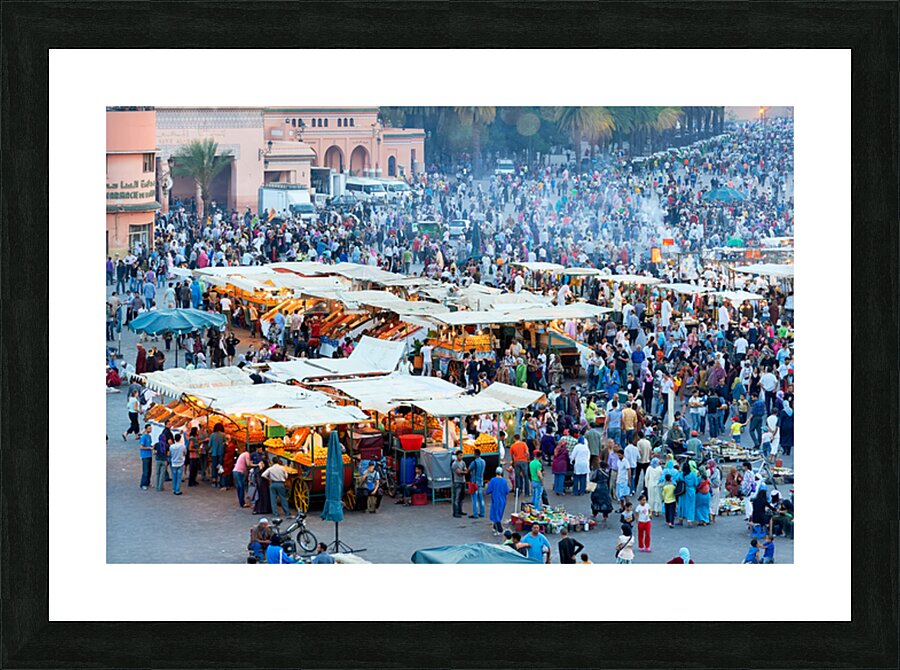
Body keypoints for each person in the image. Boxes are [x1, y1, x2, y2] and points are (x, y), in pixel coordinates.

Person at [485, 467, 510, 534]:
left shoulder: (493, 480)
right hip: (503, 500)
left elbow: (488, 491)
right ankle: (495, 527)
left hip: (495, 500)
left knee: (495, 514)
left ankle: (499, 528)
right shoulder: (504, 481)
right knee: (499, 514)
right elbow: (507, 491)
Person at [677, 461, 698, 527]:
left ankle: (680, 520)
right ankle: (690, 521)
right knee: (690, 506)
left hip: (683, 491)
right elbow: (696, 483)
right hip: (691, 491)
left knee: (681, 505)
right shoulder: (693, 475)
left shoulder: (681, 474)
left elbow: (677, 480)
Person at [154, 422, 173, 492]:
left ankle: (156, 486)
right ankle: (160, 487)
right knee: (162, 474)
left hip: (158, 460)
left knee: (157, 473)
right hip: (164, 460)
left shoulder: (156, 445)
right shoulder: (166, 446)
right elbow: (168, 454)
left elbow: (154, 452)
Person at [468, 448, 486, 519]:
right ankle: (482, 513)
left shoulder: (474, 462)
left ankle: (475, 514)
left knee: (474, 499)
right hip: (480, 481)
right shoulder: (483, 461)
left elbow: (469, 470)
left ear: (475, 454)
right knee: (481, 498)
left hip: (474, 482)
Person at [208, 423, 227, 489]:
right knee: (220, 467)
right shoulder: (224, 435)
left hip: (214, 453)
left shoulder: (212, 435)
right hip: (221, 453)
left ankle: (214, 480)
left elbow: (209, 444)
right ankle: (220, 480)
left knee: (214, 467)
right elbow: (226, 444)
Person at [450, 450, 468, 518]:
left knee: (461, 498)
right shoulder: (454, 464)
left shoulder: (463, 462)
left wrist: (464, 471)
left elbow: (465, 470)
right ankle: (456, 512)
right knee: (456, 498)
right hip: (457, 482)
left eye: (462, 455)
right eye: (460, 455)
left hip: (463, 481)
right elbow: (459, 472)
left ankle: (460, 510)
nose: (461, 456)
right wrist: (464, 472)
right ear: (457, 456)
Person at [169, 431, 186, 496]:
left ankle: (174, 489)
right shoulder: (183, 446)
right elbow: (185, 453)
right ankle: (177, 490)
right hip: (180, 462)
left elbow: (170, 454)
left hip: (173, 462)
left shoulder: (171, 447)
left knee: (174, 476)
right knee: (179, 477)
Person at [138, 424, 153, 490]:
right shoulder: (143, 437)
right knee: (145, 470)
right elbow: (141, 447)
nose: (150, 430)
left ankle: (148, 482)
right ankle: (143, 484)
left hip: (149, 455)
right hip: (145, 455)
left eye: (151, 428)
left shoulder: (149, 436)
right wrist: (149, 448)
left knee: (149, 470)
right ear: (146, 429)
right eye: (149, 428)